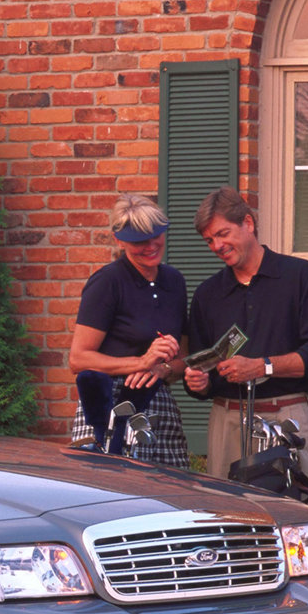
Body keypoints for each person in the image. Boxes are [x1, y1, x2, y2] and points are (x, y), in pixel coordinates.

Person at [183, 185, 308, 614]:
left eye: (224, 235)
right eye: (210, 240)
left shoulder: (299, 277)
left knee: (299, 536)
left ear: (249, 222)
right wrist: (197, 381)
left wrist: (267, 366)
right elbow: (203, 368)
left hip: (287, 416)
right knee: (232, 540)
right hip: (227, 420)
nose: (218, 247)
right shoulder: (209, 295)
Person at [67, 193, 190, 467]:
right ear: (119, 240)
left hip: (159, 404)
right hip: (107, 408)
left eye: (154, 236)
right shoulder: (107, 282)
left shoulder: (175, 282)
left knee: (173, 497)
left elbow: (184, 359)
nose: (149, 246)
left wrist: (164, 369)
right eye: (138, 241)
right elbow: (78, 359)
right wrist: (142, 361)